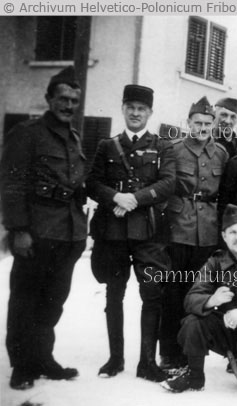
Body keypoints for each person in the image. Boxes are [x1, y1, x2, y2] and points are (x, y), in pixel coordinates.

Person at [1, 66, 87, 390]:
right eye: (62, 99)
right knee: (25, 301)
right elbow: (11, 184)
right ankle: (22, 366)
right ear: (49, 99)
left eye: (74, 101)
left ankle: (43, 358)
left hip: (68, 233)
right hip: (37, 233)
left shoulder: (73, 137)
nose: (68, 106)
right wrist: (18, 229)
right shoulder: (27, 133)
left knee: (53, 302)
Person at [87, 84, 176, 381]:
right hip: (112, 232)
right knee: (114, 293)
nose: (136, 113)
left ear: (150, 112)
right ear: (123, 109)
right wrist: (115, 197)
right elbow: (93, 183)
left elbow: (168, 183)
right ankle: (115, 359)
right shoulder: (107, 146)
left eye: (141, 109)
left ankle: (147, 362)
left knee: (152, 293)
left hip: (148, 232)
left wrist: (133, 199)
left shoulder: (162, 146)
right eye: (131, 108)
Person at [162, 204, 237, 406]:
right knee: (193, 322)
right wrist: (212, 300)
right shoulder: (215, 262)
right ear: (224, 236)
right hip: (224, 329)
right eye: (232, 232)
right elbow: (191, 298)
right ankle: (195, 375)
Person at [159, 96, 229, 369]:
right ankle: (169, 353)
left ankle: (191, 353)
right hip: (178, 228)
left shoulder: (221, 153)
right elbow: (165, 186)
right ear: (188, 122)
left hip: (207, 231)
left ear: (213, 125)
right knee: (172, 292)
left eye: (207, 124)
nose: (202, 128)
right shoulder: (174, 149)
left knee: (198, 291)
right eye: (197, 123)